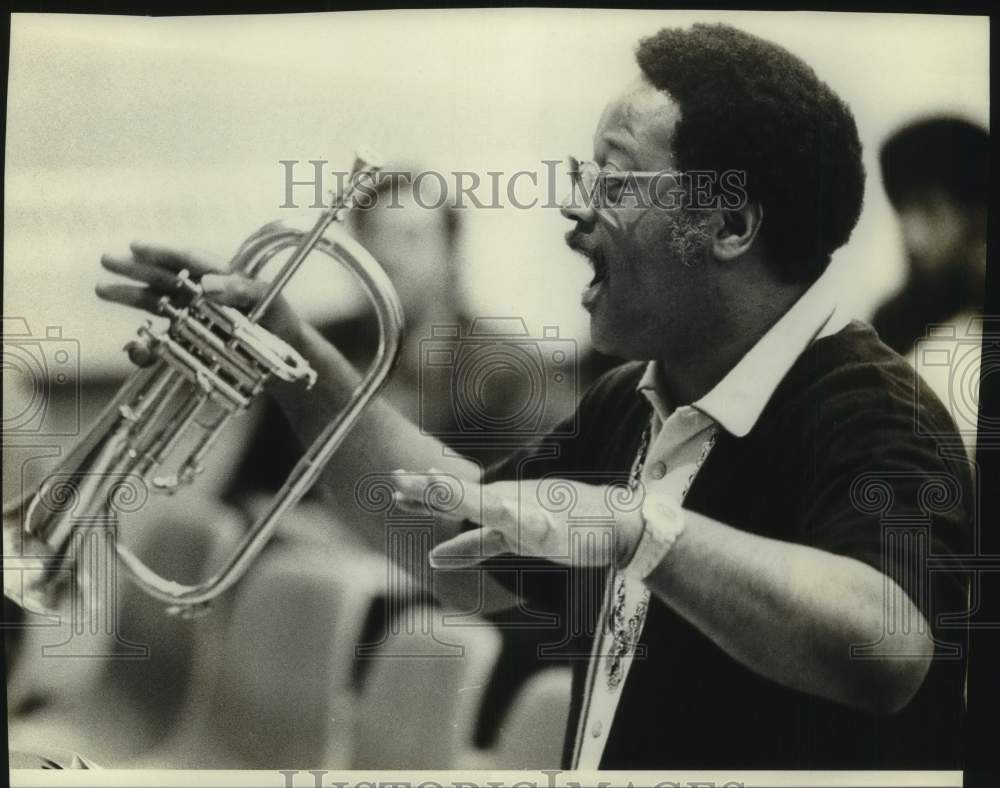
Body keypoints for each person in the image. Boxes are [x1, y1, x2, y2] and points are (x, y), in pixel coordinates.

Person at [96, 23, 972, 770]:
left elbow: (886, 643)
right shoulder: (635, 401)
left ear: (732, 225)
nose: (574, 212)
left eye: (616, 182)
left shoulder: (871, 408)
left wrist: (640, 528)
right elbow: (462, 543)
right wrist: (298, 361)